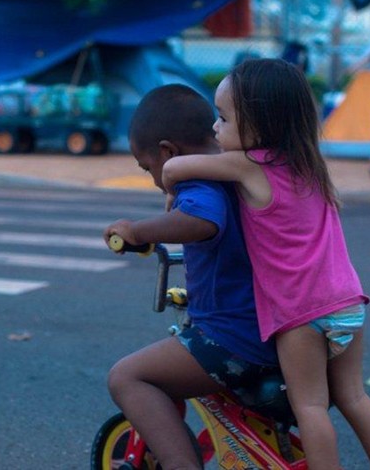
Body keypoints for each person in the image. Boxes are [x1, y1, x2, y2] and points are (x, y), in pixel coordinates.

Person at [162, 59, 370, 470]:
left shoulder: (250, 164)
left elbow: (174, 166)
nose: (216, 130)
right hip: (348, 303)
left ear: (258, 125)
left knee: (310, 405)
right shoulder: (309, 164)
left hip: (300, 314)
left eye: (223, 119)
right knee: (355, 397)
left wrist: (170, 189)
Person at [103, 84, 280, 470]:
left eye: (146, 167)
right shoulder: (235, 170)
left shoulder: (199, 182)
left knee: (127, 377)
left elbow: (202, 222)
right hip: (268, 330)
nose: (152, 178)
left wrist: (139, 231)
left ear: (168, 153)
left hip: (231, 339)